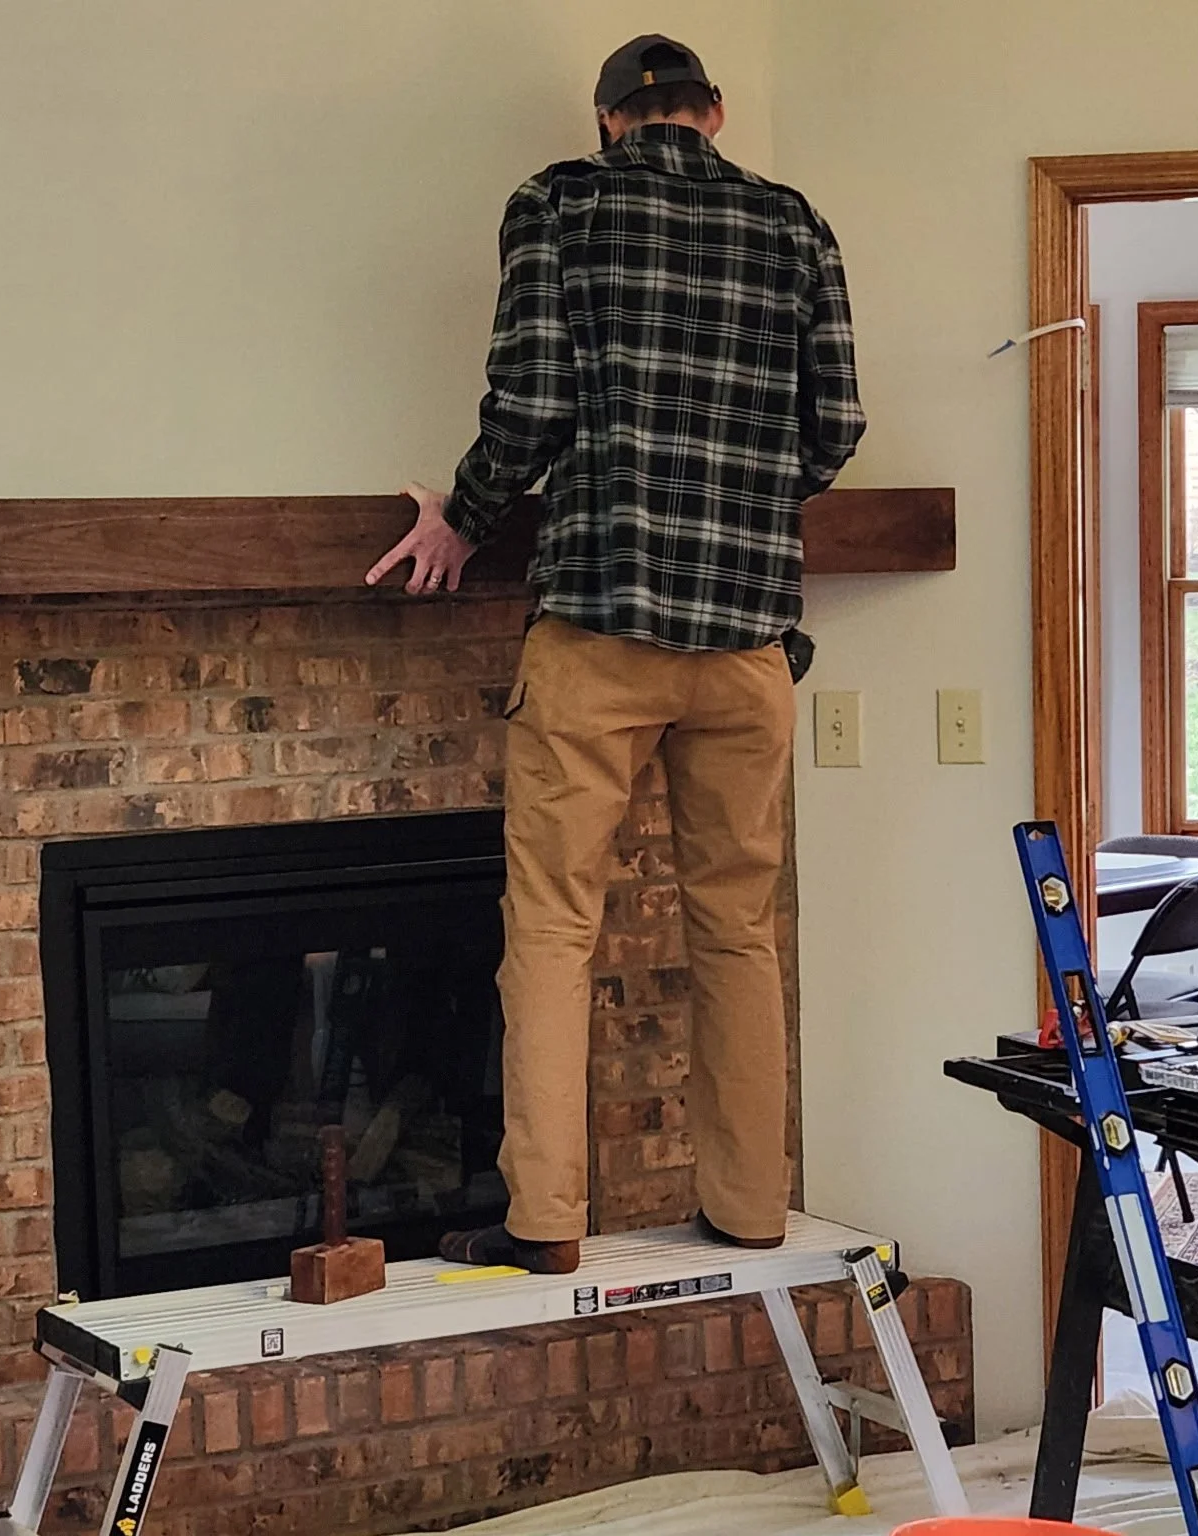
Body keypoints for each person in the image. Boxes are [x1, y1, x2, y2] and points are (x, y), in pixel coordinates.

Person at [366, 34, 863, 1274]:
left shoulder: (558, 202)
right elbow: (836, 424)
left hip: (596, 624)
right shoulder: (793, 224)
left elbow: (528, 402)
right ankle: (750, 1207)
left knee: (550, 928)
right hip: (746, 641)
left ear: (608, 121)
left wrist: (460, 519)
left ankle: (544, 1224)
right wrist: (744, 501)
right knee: (736, 931)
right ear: (713, 113)